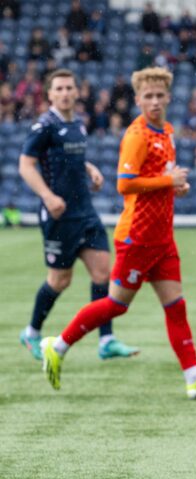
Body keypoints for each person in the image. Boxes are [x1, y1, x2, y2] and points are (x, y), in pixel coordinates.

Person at [39, 67, 196, 400]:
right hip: (137, 237)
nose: (155, 101)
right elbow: (124, 183)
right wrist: (166, 183)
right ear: (138, 99)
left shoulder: (167, 131)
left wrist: (177, 187)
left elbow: (161, 177)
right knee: (116, 305)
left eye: (160, 96)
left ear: (169, 97)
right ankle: (56, 345)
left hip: (162, 237)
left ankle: (194, 377)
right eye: (148, 96)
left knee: (176, 307)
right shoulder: (137, 135)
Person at [18, 69, 138, 362]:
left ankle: (106, 340)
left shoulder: (79, 124)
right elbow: (26, 165)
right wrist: (47, 197)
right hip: (59, 216)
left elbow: (71, 158)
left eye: (69, 87)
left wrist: (90, 168)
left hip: (85, 211)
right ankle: (32, 332)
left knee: (102, 273)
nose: (65, 92)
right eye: (59, 88)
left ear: (76, 91)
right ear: (50, 94)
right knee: (60, 280)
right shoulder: (43, 126)